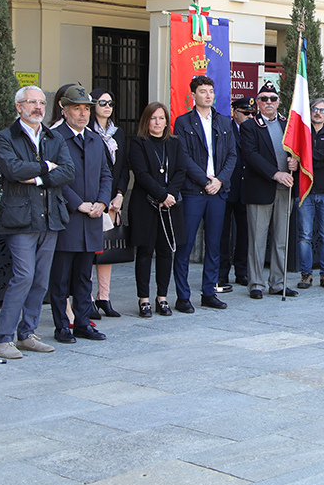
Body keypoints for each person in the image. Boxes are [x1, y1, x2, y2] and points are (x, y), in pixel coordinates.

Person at [0, 86, 74, 359]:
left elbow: (68, 171)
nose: (38, 107)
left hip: (50, 217)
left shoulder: (53, 137)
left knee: (40, 280)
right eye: (31, 102)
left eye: (41, 102)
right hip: (21, 219)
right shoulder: (5, 137)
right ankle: (3, 339)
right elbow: (12, 169)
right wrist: (47, 167)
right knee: (23, 276)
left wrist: (39, 176)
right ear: (19, 107)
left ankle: (27, 334)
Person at [48, 85, 112, 343]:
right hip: (68, 218)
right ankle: (62, 325)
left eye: (86, 108)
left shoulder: (95, 139)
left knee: (84, 276)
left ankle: (83, 322)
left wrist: (102, 202)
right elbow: (54, 177)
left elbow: (105, 174)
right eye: (77, 108)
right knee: (61, 277)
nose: (83, 114)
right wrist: (78, 204)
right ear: (64, 110)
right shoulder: (55, 139)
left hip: (92, 219)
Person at [174, 75, 238, 312]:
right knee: (186, 243)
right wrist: (204, 180)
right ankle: (183, 296)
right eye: (203, 91)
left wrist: (220, 180)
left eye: (211, 90)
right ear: (193, 95)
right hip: (194, 191)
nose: (208, 95)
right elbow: (183, 157)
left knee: (214, 243)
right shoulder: (183, 123)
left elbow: (232, 155)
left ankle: (209, 292)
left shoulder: (223, 122)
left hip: (218, 191)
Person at [128, 102, 185, 317]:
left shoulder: (175, 143)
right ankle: (143, 299)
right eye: (153, 118)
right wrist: (162, 195)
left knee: (165, 251)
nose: (157, 122)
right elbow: (141, 175)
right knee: (144, 252)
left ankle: (162, 297)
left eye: (161, 118)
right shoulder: (138, 143)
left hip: (169, 206)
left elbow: (181, 170)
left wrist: (169, 195)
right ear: (146, 121)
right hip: (145, 205)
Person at [241, 82, 298, 299]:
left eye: (272, 99)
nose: (268, 103)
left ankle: (278, 282)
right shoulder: (250, 125)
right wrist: (275, 173)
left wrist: (295, 162)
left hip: (286, 188)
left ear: (278, 102)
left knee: (281, 239)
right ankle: (256, 283)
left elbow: (297, 149)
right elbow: (251, 155)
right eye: (263, 99)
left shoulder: (288, 124)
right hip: (261, 187)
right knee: (257, 239)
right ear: (257, 102)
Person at [89, 88, 127, 319]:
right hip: (94, 201)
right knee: (90, 252)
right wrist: (102, 200)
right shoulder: (87, 132)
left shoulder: (117, 132)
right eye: (102, 102)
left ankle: (104, 297)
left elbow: (123, 166)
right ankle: (87, 299)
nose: (107, 106)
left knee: (107, 251)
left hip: (113, 200)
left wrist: (120, 194)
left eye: (110, 103)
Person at [297, 98, 324, 290]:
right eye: (315, 109)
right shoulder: (301, 132)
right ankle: (306, 274)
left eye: (322, 110)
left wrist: (309, 155)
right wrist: (321, 154)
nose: (318, 113)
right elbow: (297, 156)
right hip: (305, 190)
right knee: (304, 236)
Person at [218, 96, 254, 289]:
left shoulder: (254, 130)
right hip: (226, 187)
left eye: (252, 113)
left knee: (244, 234)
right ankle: (221, 273)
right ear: (235, 113)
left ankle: (242, 272)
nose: (249, 117)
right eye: (245, 113)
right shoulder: (225, 130)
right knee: (223, 234)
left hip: (246, 189)